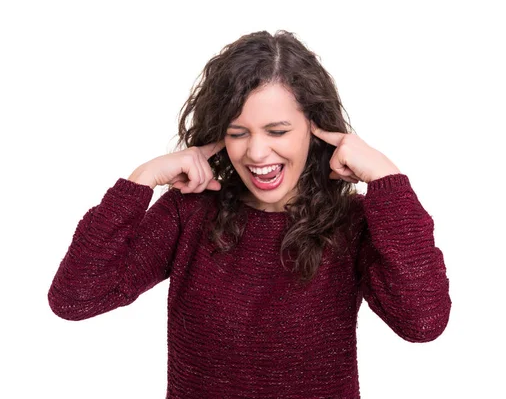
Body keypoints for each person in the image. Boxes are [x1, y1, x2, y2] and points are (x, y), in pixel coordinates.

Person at [48, 30, 451, 398]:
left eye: (277, 132)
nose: (256, 153)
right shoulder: (187, 214)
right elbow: (75, 298)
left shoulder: (353, 224)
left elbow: (423, 322)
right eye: (238, 133)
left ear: (315, 130)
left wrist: (388, 180)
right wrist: (140, 182)